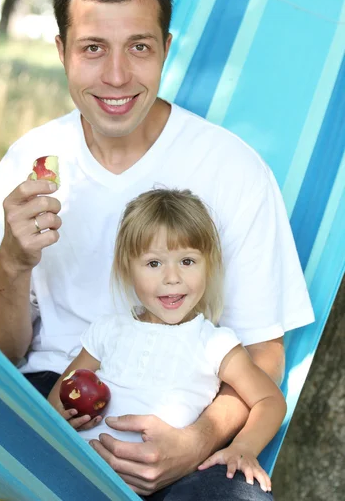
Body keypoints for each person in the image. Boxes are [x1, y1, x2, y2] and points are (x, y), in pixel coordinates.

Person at [0, 0, 314, 499]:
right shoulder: (29, 162)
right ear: (61, 52)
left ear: (167, 49)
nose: (118, 75)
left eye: (140, 47)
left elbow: (265, 357)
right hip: (58, 398)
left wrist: (197, 441)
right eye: (93, 48)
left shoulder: (232, 168)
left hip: (187, 405)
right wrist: (14, 259)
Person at [48, 188, 287, 496]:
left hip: (161, 484)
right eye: (154, 264)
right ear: (126, 268)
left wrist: (243, 447)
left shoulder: (213, 343)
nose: (172, 277)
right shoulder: (107, 330)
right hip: (78, 474)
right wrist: (69, 415)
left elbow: (270, 401)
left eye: (187, 261)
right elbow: (58, 397)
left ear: (208, 265)